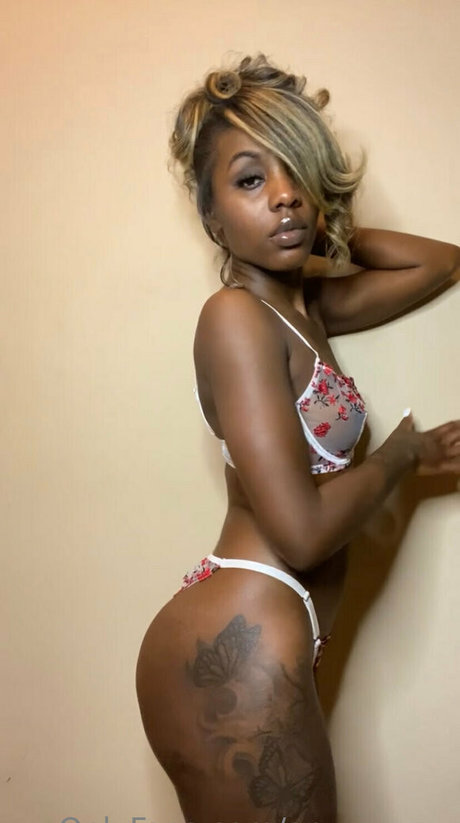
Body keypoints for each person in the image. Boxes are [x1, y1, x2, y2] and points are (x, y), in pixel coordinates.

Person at [135, 54, 460, 823]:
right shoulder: (235, 318)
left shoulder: (300, 310)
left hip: (272, 639)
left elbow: (441, 261)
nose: (283, 194)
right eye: (251, 180)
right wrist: (403, 454)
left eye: (298, 173)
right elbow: (302, 531)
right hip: (236, 647)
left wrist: (324, 219)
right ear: (211, 217)